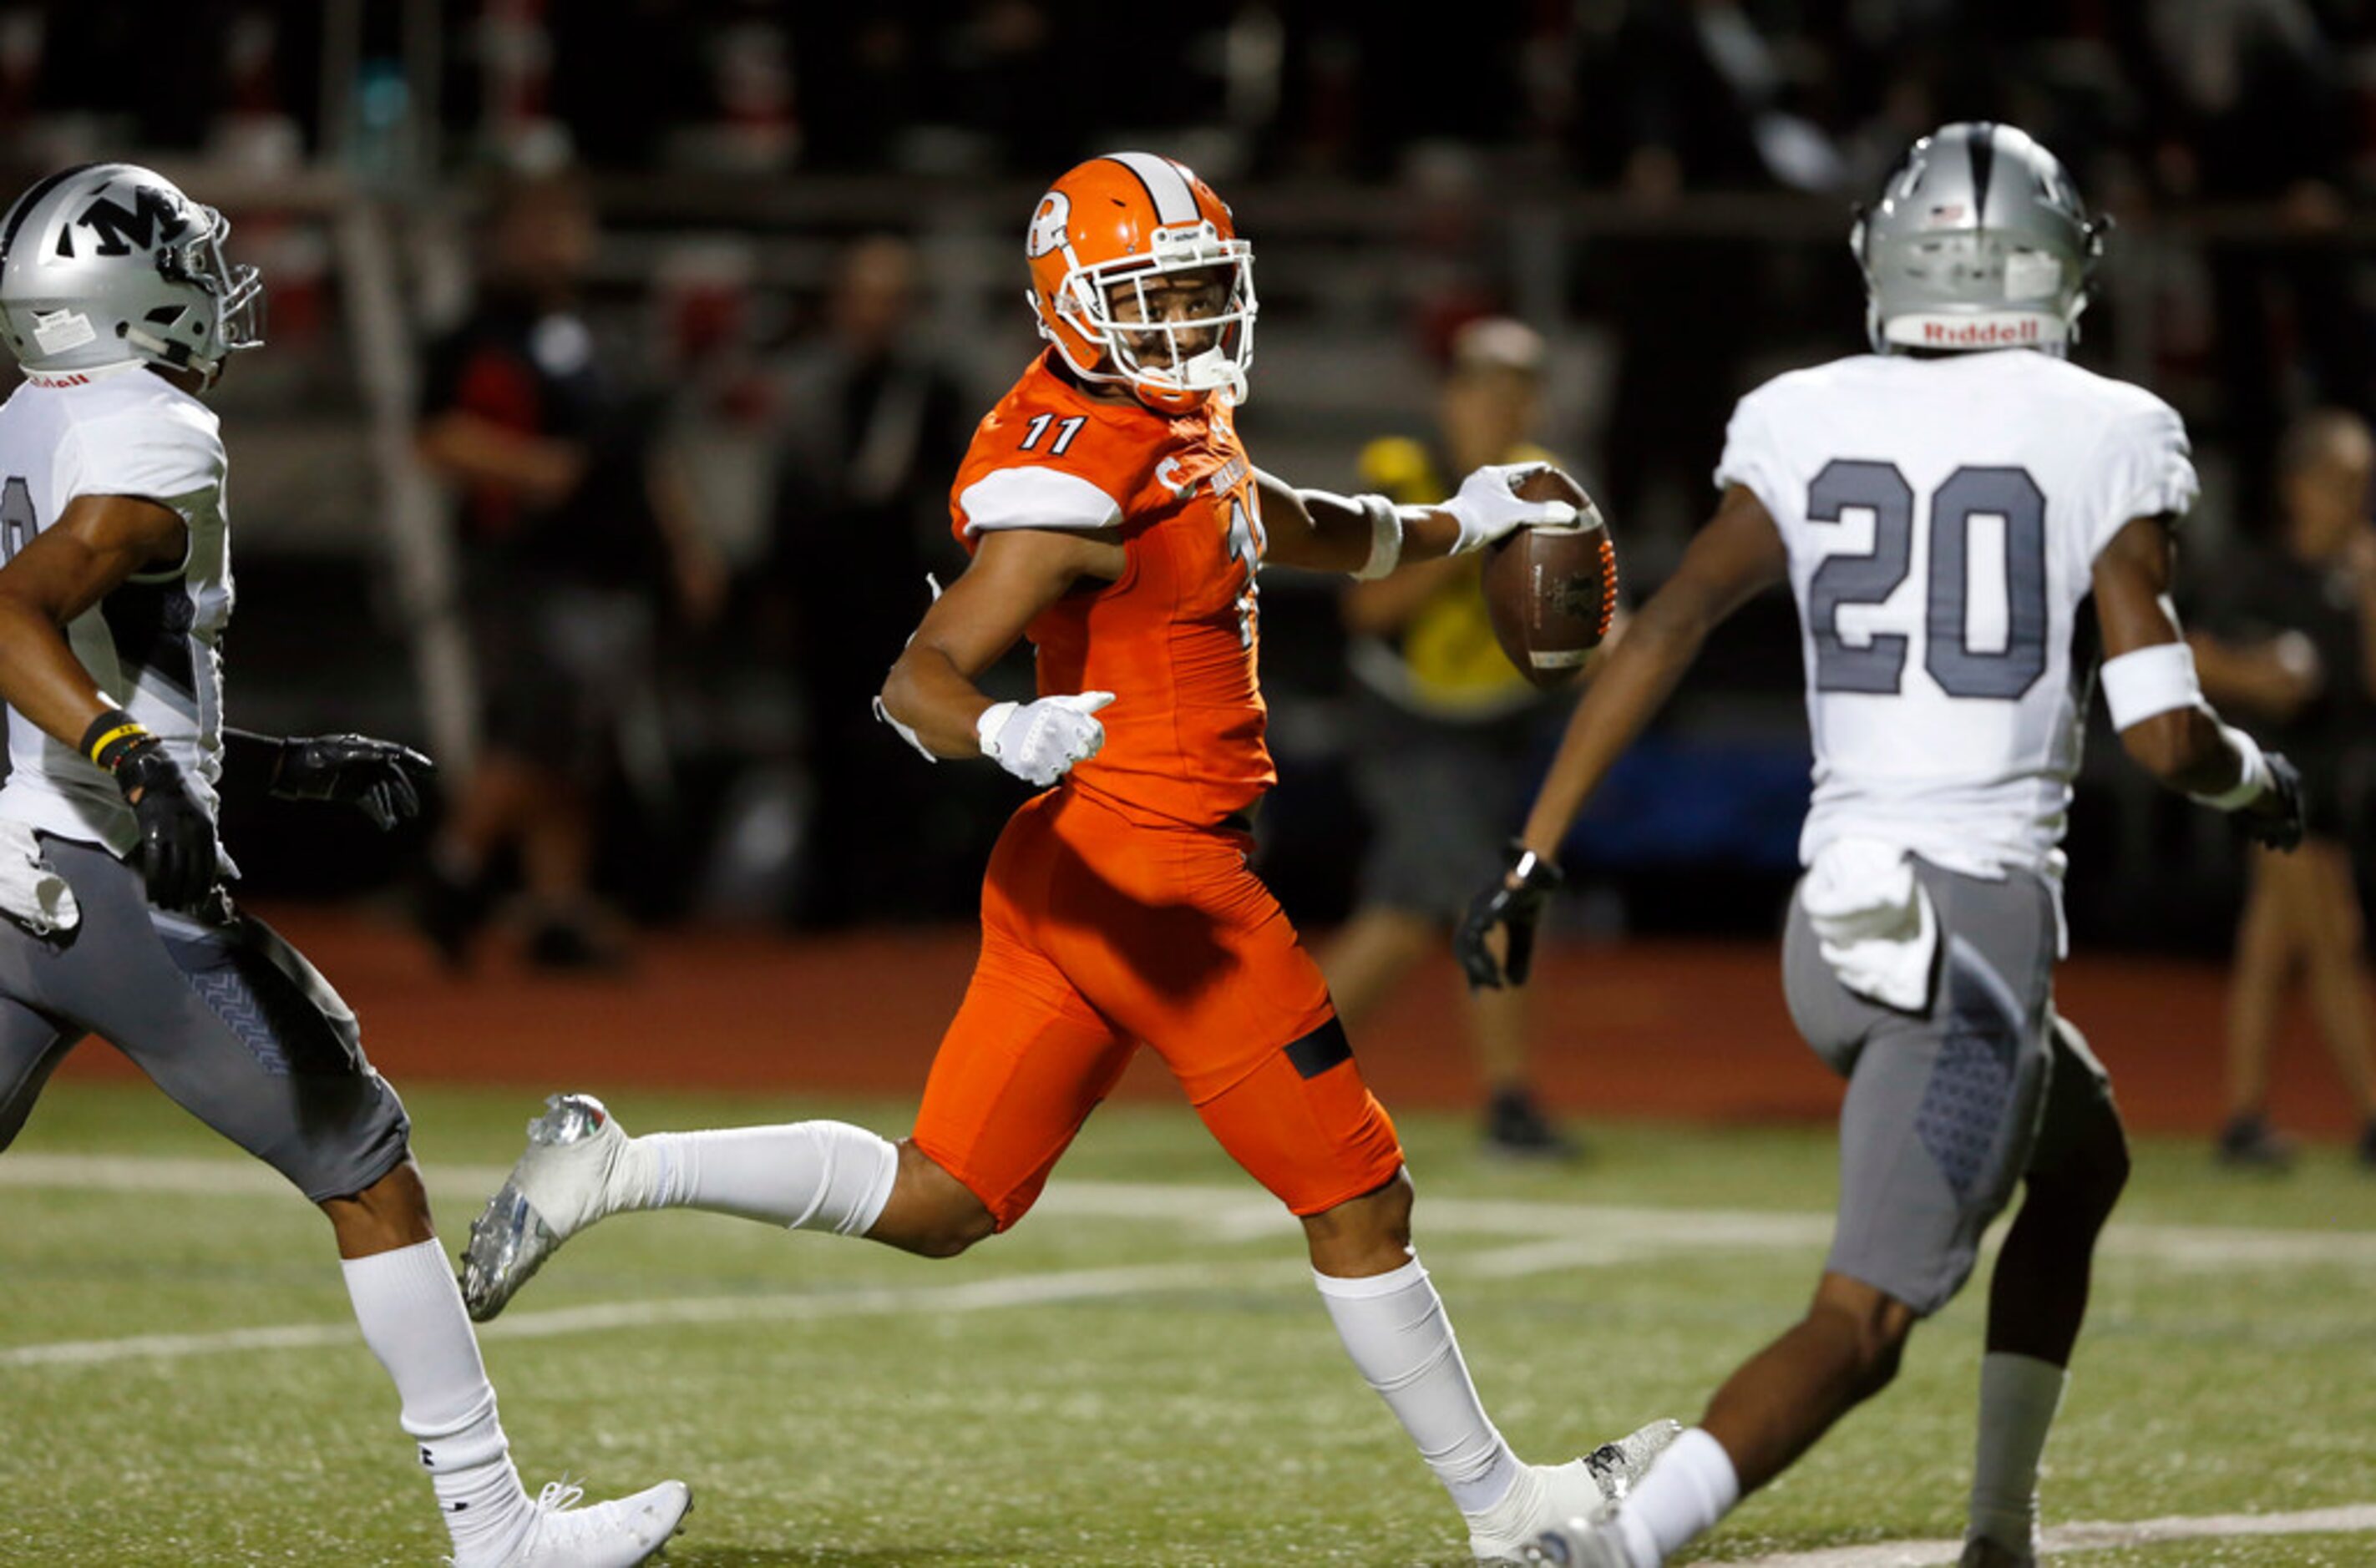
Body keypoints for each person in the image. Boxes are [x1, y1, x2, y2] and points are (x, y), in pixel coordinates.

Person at [461, 150, 1675, 1564]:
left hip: (1072, 875)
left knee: (946, 1197)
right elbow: (917, 674)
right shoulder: (1075, 480)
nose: (1189, 321)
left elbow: (1280, 519)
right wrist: (1003, 726)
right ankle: (1511, 1515)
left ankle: (617, 1166)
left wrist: (1455, 525)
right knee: (1361, 1197)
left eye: (1200, 290)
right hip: (1163, 883)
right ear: (1074, 302)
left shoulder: (1166, 418)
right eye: (1155, 295)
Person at [1457, 124, 2305, 1568]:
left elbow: (1663, 625)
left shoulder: (1800, 409)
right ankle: (1606, 1550)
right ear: (2050, 269)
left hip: (1832, 921)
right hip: (1966, 930)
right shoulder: (2108, 423)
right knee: (1863, 1325)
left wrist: (1534, 855)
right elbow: (2163, 731)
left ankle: (1998, 1532)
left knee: (2082, 1153)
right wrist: (2259, 779)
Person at [0, 164, 688, 1565]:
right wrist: (142, 762)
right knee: (371, 1165)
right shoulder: (158, 427)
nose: (214, 290)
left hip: (10, 864)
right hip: (113, 887)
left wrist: (269, 758)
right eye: (186, 262)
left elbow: (87, 669)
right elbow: (16, 616)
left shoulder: (26, 417)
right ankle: (494, 1526)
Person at [413, 167, 722, 971]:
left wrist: (684, 545)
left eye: (570, 225)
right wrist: (539, 469)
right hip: (530, 566)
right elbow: (438, 437)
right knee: (539, 731)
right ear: (506, 236)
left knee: (578, 743)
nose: (562, 242)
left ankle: (557, 907)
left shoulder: (592, 335)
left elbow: (641, 455)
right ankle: (450, 872)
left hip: (609, 568)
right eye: (544, 226)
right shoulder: (478, 334)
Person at [1325, 316, 1577, 1157]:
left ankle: (1269, 1068)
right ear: (1451, 395)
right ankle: (1510, 1104)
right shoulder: (1403, 470)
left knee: (1400, 916)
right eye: (1481, 386)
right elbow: (1368, 609)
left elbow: (1579, 622)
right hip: (1406, 716)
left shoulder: (1548, 481)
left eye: (1515, 390)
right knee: (1491, 894)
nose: (1497, 406)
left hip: (1496, 723)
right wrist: (1474, 532)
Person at [2190, 408, 2376, 1169]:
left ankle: (2242, 1116)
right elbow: (2192, 654)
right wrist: (2262, 681)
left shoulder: (2356, 576)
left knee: (2268, 949)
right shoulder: (2257, 571)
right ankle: (2372, 1112)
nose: (2353, 500)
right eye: (2339, 482)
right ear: (2297, 487)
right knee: (2333, 935)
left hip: (2332, 785)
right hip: (2271, 785)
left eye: (2363, 486)